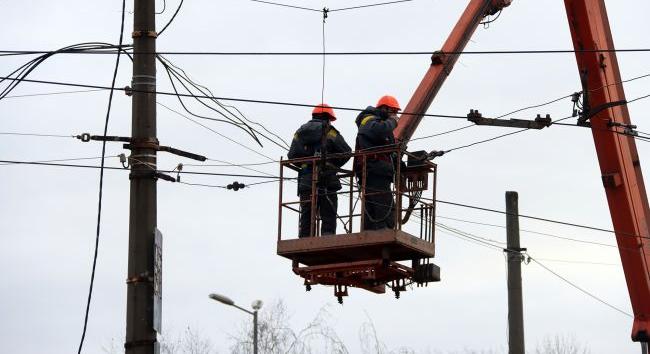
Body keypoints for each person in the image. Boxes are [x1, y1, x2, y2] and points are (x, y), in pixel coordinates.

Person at [288, 103, 352, 237]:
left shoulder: (300, 132)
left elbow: (292, 155)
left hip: (306, 179)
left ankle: (305, 238)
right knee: (328, 211)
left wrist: (306, 163)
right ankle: (327, 237)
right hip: (327, 178)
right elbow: (346, 151)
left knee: (307, 211)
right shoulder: (330, 131)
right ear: (326, 117)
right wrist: (333, 164)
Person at [354, 95, 401, 230]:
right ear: (384, 109)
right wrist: (393, 122)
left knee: (381, 204)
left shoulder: (381, 124)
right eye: (394, 111)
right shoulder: (369, 119)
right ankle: (382, 231)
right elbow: (377, 131)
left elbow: (389, 150)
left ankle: (374, 230)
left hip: (379, 170)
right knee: (383, 204)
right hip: (374, 169)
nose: (395, 115)